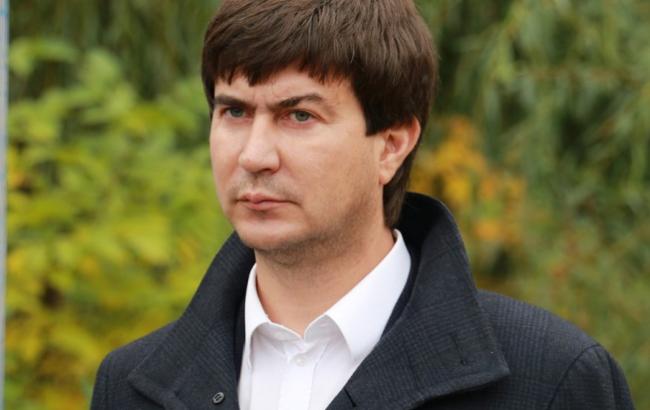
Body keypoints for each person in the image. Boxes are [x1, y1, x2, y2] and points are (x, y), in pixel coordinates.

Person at [91, 1, 635, 409]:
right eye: (234, 112)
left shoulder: (551, 380)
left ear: (392, 146)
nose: (254, 155)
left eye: (298, 116)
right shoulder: (130, 386)